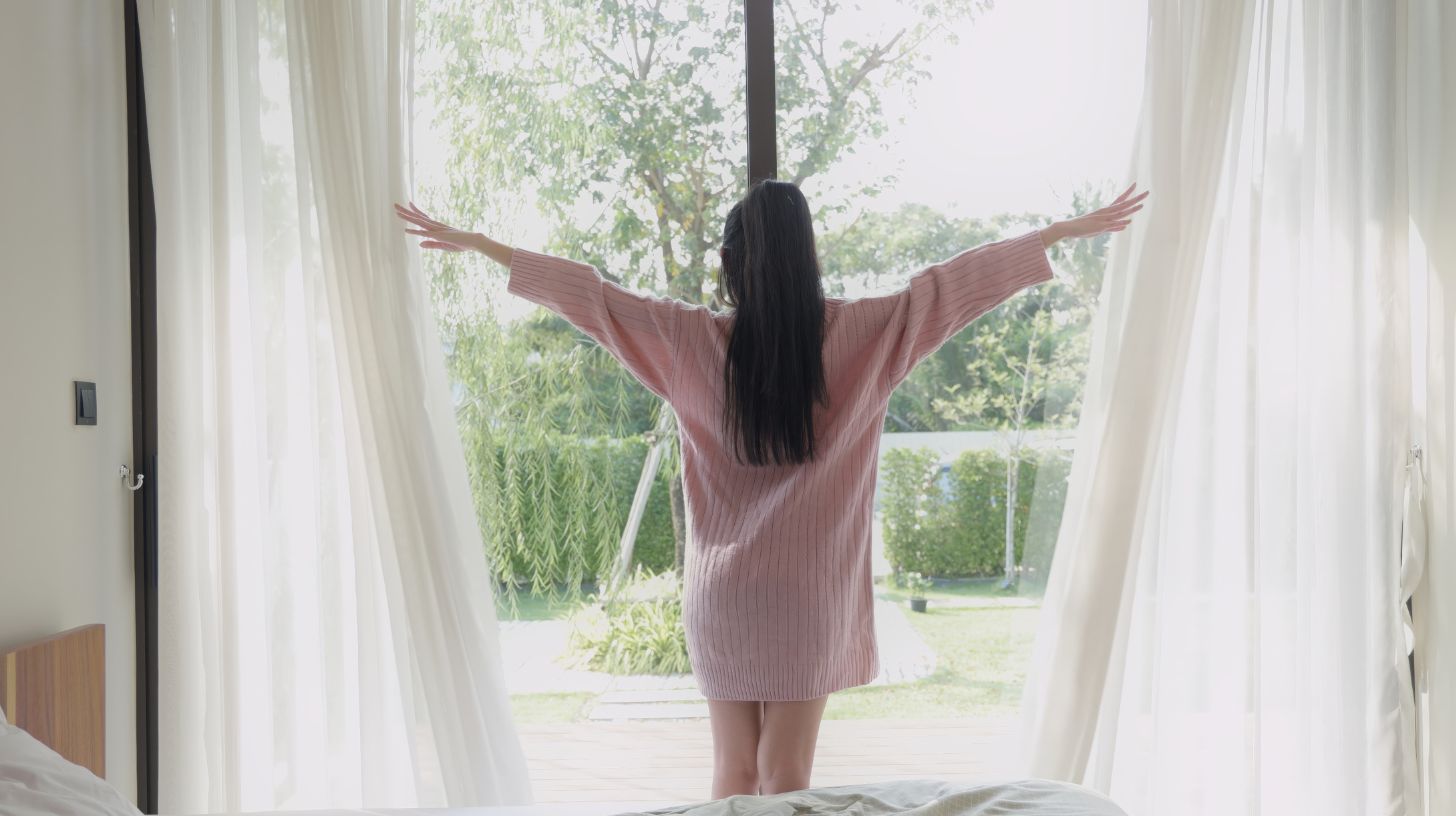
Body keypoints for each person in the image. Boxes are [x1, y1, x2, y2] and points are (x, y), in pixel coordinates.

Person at [396, 180, 1146, 798]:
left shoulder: (689, 341)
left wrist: (484, 245)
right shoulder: (868, 332)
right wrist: (1053, 232)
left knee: (731, 771)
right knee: (788, 775)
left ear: (730, 261)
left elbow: (592, 298)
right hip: (810, 595)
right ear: (807, 258)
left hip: (724, 596)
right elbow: (950, 287)